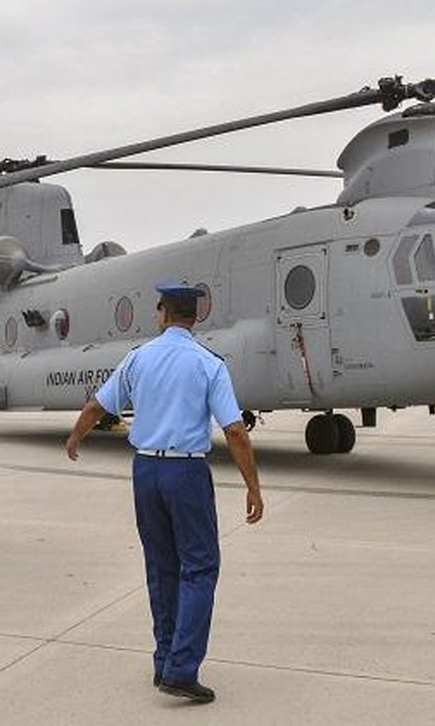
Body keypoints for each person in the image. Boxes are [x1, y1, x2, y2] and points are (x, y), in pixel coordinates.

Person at [66, 284, 264, 704]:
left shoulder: (139, 358)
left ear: (162, 313)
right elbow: (235, 431)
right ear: (194, 317)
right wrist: (253, 487)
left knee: (161, 566)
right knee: (200, 566)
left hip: (146, 471)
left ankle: (164, 660)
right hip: (186, 471)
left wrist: (75, 438)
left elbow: (97, 406)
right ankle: (182, 668)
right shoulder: (208, 363)